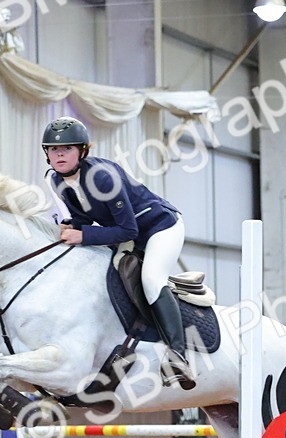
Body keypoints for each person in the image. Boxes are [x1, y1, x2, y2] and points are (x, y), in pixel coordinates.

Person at [42, 116, 196, 390]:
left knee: (151, 279)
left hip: (159, 227)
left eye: (67, 148)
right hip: (126, 232)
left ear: (82, 151)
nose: (60, 154)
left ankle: (177, 355)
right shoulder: (56, 180)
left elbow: (128, 230)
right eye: (54, 149)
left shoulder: (102, 177)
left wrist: (83, 235)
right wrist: (72, 227)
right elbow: (84, 216)